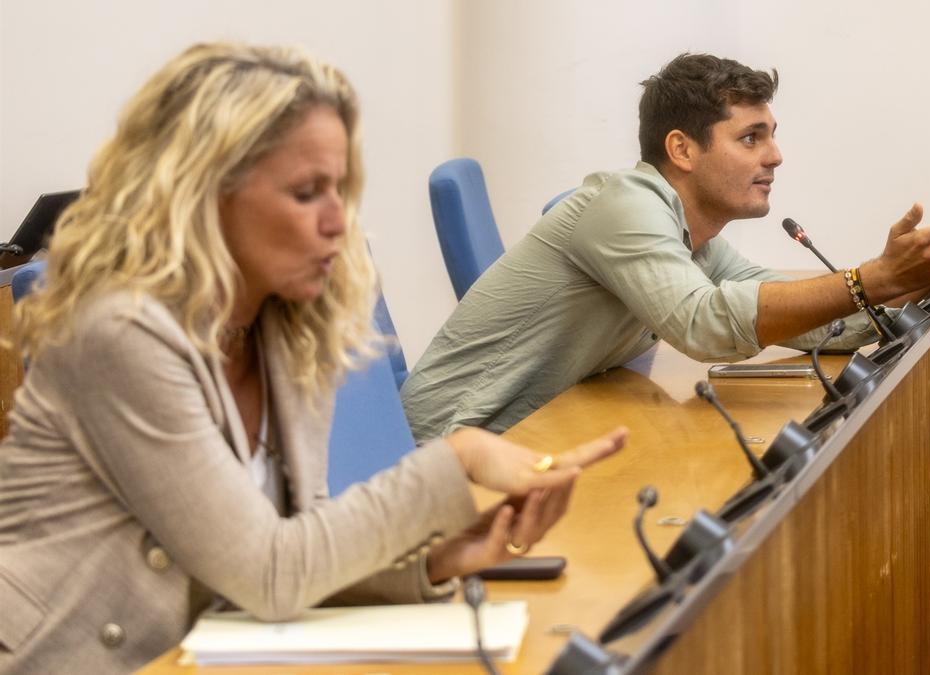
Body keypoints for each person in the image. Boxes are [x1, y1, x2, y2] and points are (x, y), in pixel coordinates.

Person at [0, 43, 625, 674]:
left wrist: (430, 563)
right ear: (207, 197)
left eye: (341, 189)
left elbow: (285, 553)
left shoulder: (280, 328)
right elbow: (269, 571)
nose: (338, 221)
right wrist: (456, 458)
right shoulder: (118, 335)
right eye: (307, 192)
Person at [401, 53, 930, 443]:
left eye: (772, 134)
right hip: (439, 452)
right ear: (682, 149)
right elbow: (706, 324)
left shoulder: (692, 237)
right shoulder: (623, 205)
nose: (776, 155)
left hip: (525, 439)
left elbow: (821, 321)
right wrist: (874, 278)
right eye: (751, 137)